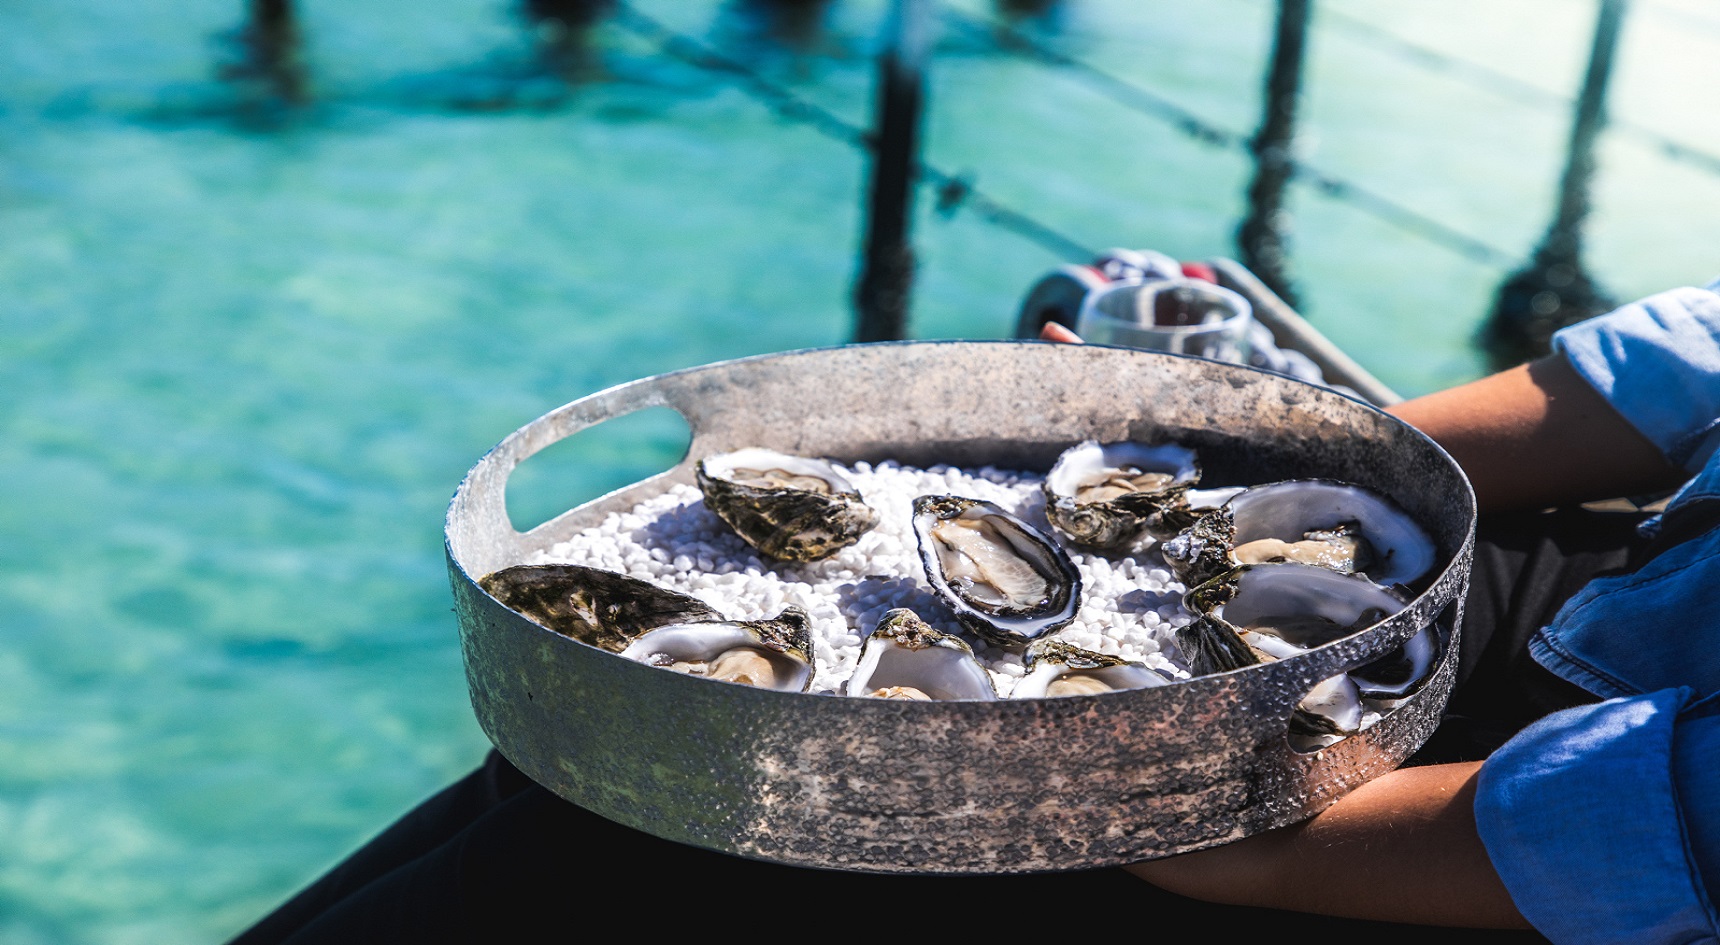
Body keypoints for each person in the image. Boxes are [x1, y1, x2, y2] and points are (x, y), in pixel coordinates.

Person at [228, 282, 1720, 945]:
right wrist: (1236, 453)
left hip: (1583, 825)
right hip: (1627, 590)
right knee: (608, 788)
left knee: (770, 845)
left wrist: (1189, 835)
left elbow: (1658, 828)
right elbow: (1675, 370)